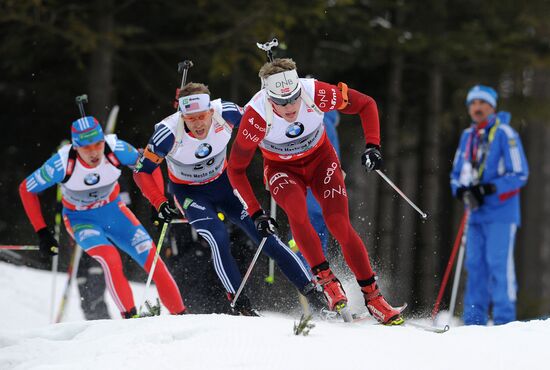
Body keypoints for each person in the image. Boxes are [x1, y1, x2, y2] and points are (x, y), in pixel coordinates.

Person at [227, 57, 403, 325]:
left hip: (321, 161)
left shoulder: (317, 92)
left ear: (300, 89)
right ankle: (326, 280)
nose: (289, 108)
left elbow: (366, 104)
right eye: (280, 102)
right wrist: (255, 213)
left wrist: (373, 146)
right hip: (281, 169)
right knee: (298, 212)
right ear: (267, 97)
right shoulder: (256, 116)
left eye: (294, 99)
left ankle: (374, 298)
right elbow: (235, 170)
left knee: (339, 224)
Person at [133, 82, 317, 316]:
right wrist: (159, 202)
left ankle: (313, 292)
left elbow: (262, 125)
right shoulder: (167, 133)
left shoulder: (227, 113)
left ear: (211, 111)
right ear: (182, 115)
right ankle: (239, 302)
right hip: (190, 193)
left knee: (263, 233)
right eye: (191, 119)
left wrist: (276, 163)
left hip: (225, 185)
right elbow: (141, 171)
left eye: (202, 116)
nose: (198, 124)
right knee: (217, 235)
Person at [19, 116, 187, 318]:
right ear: (75, 147)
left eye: (98, 144)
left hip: (115, 212)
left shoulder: (117, 149)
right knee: (111, 259)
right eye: (86, 147)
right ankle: (130, 317)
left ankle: (181, 316)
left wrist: (157, 201)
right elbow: (26, 190)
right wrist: (42, 232)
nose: (94, 152)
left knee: (153, 260)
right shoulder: (61, 163)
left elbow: (148, 164)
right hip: (80, 220)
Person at [450, 85, 529, 325]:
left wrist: (489, 188)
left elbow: (520, 174)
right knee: (474, 268)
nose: (477, 107)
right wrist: (461, 190)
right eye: (472, 103)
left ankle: (506, 323)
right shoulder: (468, 135)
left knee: (499, 267)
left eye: (482, 103)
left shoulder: (505, 133)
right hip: (474, 213)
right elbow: (456, 173)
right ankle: (474, 323)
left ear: (492, 107)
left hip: (501, 214)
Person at [288, 109, 341, 269]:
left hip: (310, 190)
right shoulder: (328, 123)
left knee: (302, 234)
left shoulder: (312, 124)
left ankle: (309, 276)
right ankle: (319, 277)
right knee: (318, 236)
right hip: (326, 192)